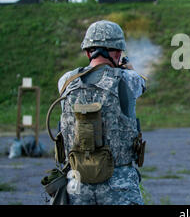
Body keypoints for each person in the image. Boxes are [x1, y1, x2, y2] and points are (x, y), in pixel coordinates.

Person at [56, 20, 146, 205]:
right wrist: (126, 68)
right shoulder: (128, 79)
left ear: (88, 51)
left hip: (77, 184)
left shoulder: (66, 81)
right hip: (118, 183)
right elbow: (141, 83)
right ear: (118, 52)